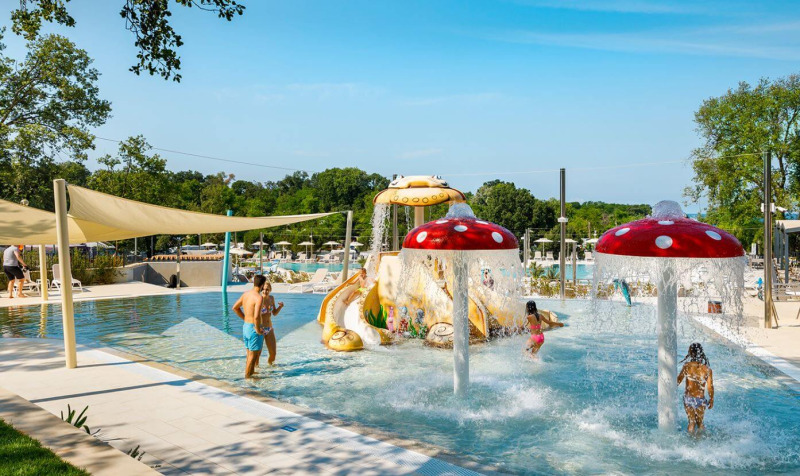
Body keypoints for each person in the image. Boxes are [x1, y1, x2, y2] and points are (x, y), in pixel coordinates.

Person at [233, 275, 266, 378]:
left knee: (249, 354)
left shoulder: (245, 294)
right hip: (253, 328)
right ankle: (247, 379)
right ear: (262, 285)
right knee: (252, 356)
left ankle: (250, 373)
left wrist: (245, 318)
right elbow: (256, 317)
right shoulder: (259, 297)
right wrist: (258, 329)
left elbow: (235, 308)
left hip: (246, 327)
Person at [677, 342, 714, 435]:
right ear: (701, 353)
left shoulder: (687, 366)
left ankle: (690, 444)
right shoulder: (707, 369)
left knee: (691, 422)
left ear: (690, 353)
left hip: (689, 398)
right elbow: (710, 387)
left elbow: (678, 381)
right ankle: (701, 442)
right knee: (700, 423)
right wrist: (712, 399)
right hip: (700, 400)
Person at [255, 282, 284, 367]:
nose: (265, 291)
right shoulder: (258, 299)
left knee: (273, 353)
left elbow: (274, 313)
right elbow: (254, 315)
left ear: (270, 290)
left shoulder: (271, 298)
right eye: (263, 289)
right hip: (260, 329)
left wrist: (280, 307)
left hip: (269, 328)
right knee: (257, 355)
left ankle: (270, 369)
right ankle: (257, 371)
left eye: (267, 289)